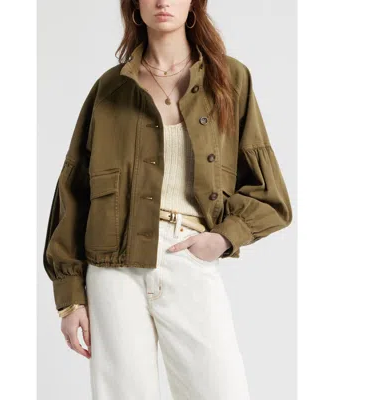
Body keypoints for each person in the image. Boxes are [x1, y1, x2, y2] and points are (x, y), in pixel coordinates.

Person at [43, 1, 293, 398]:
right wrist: (71, 299)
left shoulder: (229, 79)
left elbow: (271, 194)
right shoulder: (110, 90)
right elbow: (73, 196)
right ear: (134, 6)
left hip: (187, 253)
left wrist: (222, 238)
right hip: (112, 269)